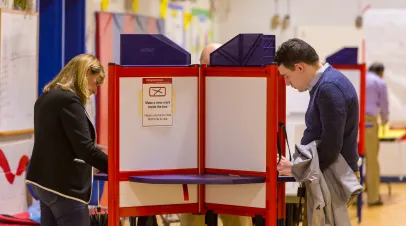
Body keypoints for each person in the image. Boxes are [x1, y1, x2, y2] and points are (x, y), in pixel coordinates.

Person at [274, 38, 360, 225]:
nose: (287, 83)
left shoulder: (329, 88)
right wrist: (297, 164)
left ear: (299, 67)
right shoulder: (325, 84)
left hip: (333, 175)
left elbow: (331, 146)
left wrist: (297, 168)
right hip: (326, 172)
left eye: (286, 76)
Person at [25, 54, 108, 226]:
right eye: (96, 82)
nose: (95, 90)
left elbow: (58, 140)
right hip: (64, 188)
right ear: (85, 73)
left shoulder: (47, 97)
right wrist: (115, 166)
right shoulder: (69, 100)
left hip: (44, 183)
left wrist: (96, 151)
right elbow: (84, 149)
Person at [179, 43, 253, 226]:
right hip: (195, 172)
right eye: (206, 65)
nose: (210, 71)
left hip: (232, 173)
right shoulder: (187, 89)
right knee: (192, 221)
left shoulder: (243, 90)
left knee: (239, 221)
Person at [365, 62, 389, 206]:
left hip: (353, 121)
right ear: (380, 72)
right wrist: (385, 121)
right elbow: (384, 106)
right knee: (371, 160)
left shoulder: (360, 78)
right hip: (369, 122)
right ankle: (373, 198)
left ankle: (354, 198)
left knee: (354, 160)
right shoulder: (379, 82)